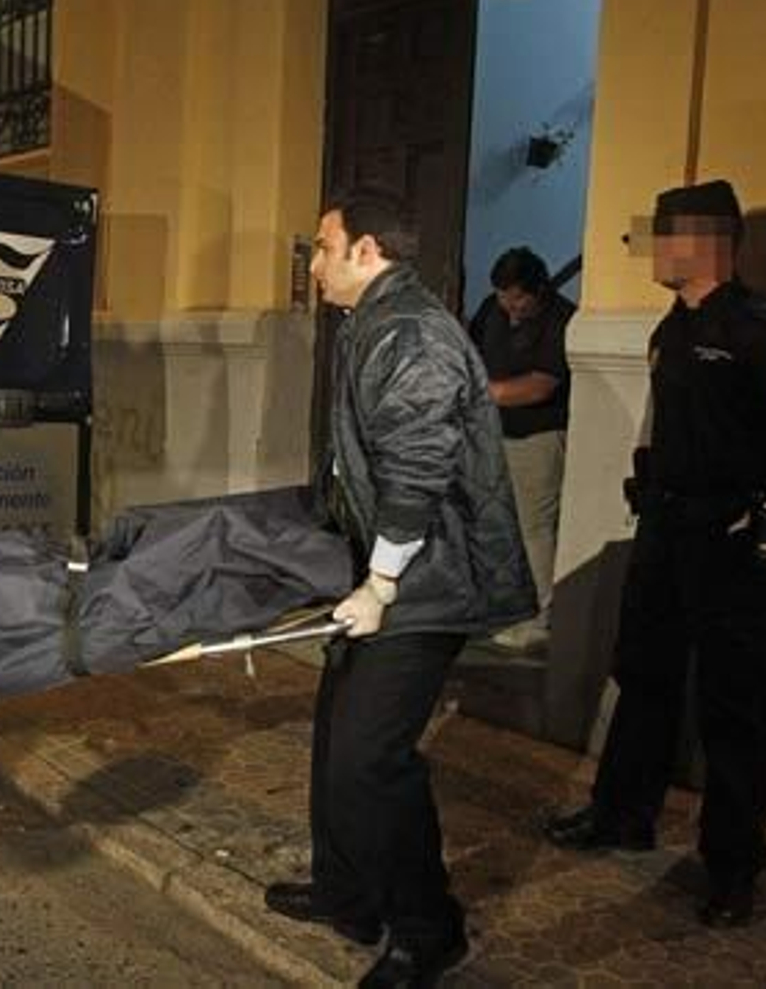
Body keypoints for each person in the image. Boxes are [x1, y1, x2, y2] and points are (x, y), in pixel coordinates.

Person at [543, 180, 766, 929]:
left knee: (731, 705)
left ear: (705, 243)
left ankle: (733, 867)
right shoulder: (674, 329)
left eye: (661, 235)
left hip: (729, 545)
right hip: (666, 532)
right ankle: (622, 813)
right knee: (642, 675)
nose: (649, 250)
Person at [265, 189, 536, 988]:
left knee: (369, 759)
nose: (313, 264)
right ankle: (348, 893)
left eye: (323, 247)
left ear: (367, 249)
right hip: (387, 571)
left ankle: (429, 929)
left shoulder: (412, 332)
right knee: (335, 738)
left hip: (428, 580)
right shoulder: (372, 320)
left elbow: (417, 470)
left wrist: (380, 584)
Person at [468, 246, 577, 654]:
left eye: (517, 299)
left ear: (539, 291)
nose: (509, 307)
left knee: (535, 528)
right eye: (502, 297)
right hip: (494, 434)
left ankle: (542, 616)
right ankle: (502, 605)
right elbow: (471, 352)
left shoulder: (561, 319)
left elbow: (541, 385)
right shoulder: (491, 310)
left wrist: (483, 393)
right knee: (497, 522)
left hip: (539, 436)